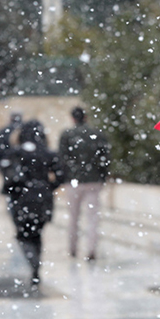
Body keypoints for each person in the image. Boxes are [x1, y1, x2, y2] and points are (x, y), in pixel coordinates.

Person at [0, 119, 65, 287]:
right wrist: (48, 187)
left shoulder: (16, 153)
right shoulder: (47, 153)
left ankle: (33, 264)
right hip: (43, 200)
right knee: (37, 234)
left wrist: (15, 190)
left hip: (22, 199)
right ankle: (36, 267)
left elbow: (8, 178)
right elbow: (62, 174)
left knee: (23, 234)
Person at [59, 106, 111, 261]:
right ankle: (91, 249)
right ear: (86, 117)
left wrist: (65, 176)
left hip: (74, 181)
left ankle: (73, 248)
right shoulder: (97, 134)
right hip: (93, 181)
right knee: (92, 217)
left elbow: (62, 158)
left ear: (73, 118)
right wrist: (102, 176)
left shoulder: (67, 135)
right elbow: (105, 158)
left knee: (73, 217)